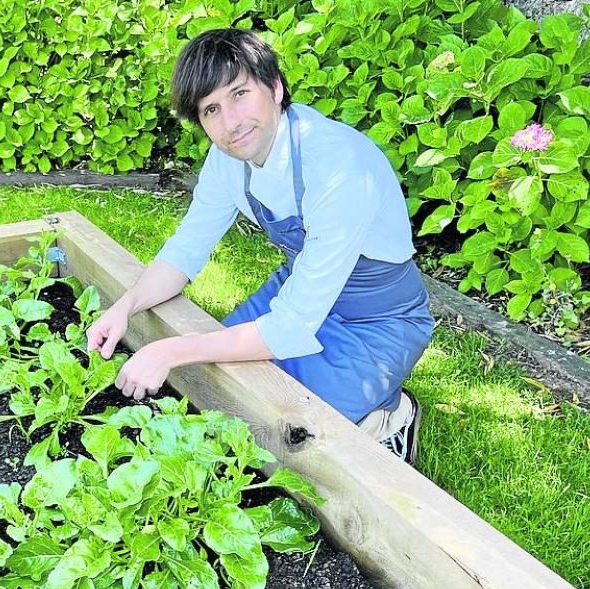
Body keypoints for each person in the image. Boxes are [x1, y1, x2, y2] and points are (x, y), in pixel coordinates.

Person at [85, 28, 434, 464]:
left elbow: (290, 327)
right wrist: (125, 306)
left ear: (275, 87)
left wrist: (170, 349)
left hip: (377, 320)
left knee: (288, 440)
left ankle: (389, 417)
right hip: (301, 288)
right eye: (211, 108)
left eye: (240, 93)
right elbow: (185, 250)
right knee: (217, 387)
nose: (231, 122)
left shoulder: (339, 166)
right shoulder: (226, 161)